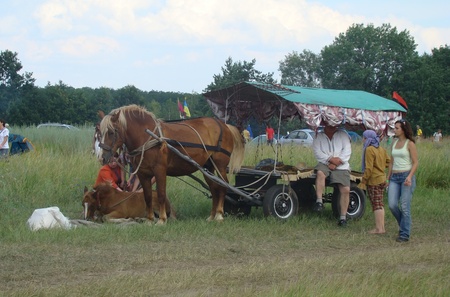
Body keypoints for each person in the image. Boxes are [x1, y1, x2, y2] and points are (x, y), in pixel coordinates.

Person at [312, 125, 352, 227]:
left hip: (341, 165)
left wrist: (336, 162)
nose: (332, 126)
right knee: (320, 173)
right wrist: (330, 159)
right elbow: (317, 152)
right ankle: (319, 201)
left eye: (334, 124)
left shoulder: (343, 135)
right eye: (329, 124)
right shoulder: (318, 136)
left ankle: (343, 218)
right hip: (325, 163)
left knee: (346, 190)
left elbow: (347, 151)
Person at [387, 119, 418, 242]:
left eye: (397, 128)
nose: (394, 130)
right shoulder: (394, 143)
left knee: (405, 206)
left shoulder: (410, 143)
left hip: (406, 176)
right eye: (394, 128)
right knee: (392, 205)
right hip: (394, 177)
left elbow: (415, 162)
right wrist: (388, 177)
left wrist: (410, 177)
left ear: (403, 130)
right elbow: (391, 161)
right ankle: (404, 224)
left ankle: (404, 234)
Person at [359, 130, 390, 234]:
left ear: (367, 139)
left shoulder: (369, 150)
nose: (363, 140)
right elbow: (389, 162)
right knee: (380, 204)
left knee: (376, 205)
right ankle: (382, 227)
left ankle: (379, 229)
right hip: (382, 178)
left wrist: (363, 181)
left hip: (374, 180)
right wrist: (381, 166)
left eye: (364, 138)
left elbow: (369, 168)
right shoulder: (381, 149)